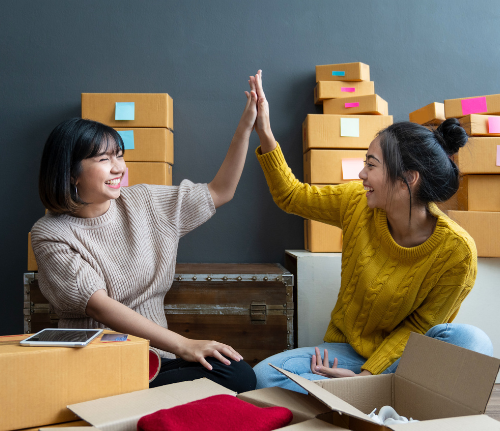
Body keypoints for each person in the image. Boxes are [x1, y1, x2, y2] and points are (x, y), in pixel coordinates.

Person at [249, 70, 493, 393]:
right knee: (265, 376)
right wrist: (264, 130)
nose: (362, 173)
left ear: (408, 178)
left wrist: (367, 378)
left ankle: (363, 396)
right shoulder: (355, 202)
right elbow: (291, 195)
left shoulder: (457, 252)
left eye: (372, 164)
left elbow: (420, 329)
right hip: (347, 355)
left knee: (475, 343)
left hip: (405, 357)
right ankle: (375, 400)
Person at [31, 82, 259, 392]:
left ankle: (137, 409)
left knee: (237, 373)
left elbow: (220, 191)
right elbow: (99, 306)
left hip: (155, 359)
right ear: (71, 173)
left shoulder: (143, 202)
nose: (118, 168)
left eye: (120, 156)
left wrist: (245, 128)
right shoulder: (50, 233)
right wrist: (184, 345)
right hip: (94, 363)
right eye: (103, 159)